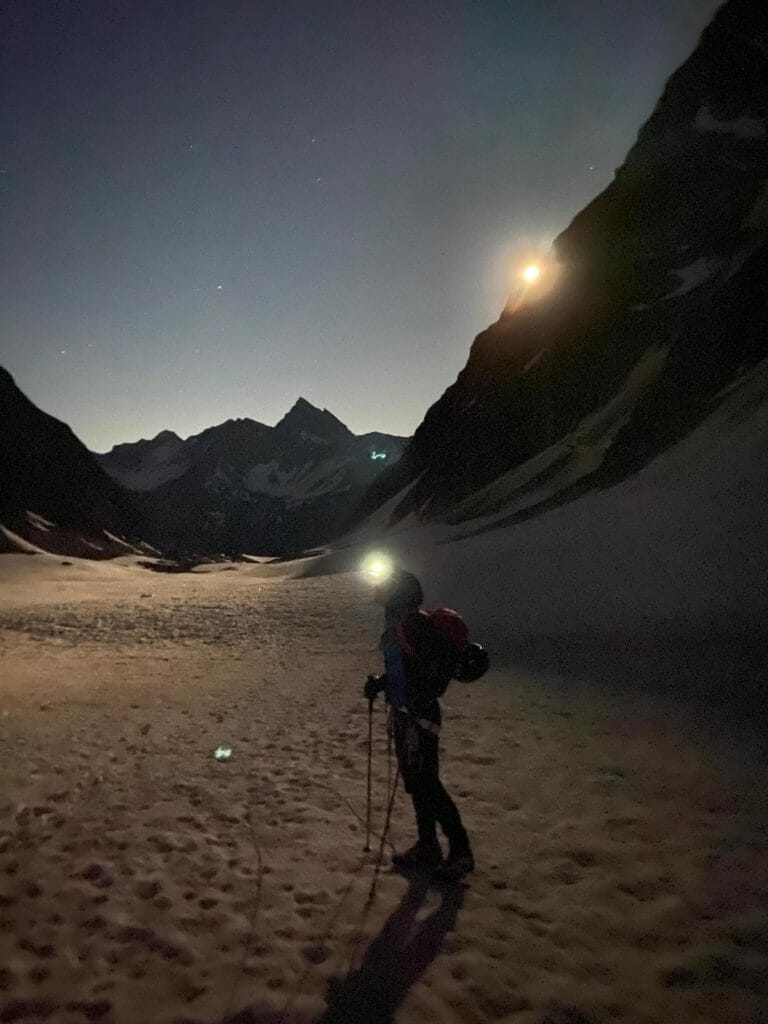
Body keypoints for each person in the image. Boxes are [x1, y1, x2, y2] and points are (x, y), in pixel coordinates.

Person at [364, 568, 474, 882]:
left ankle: (460, 849)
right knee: (419, 784)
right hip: (411, 715)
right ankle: (429, 846)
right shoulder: (405, 624)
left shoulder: (412, 626)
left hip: (417, 717)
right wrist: (383, 683)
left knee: (427, 785)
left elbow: (428, 672)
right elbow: (408, 670)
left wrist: (408, 697)